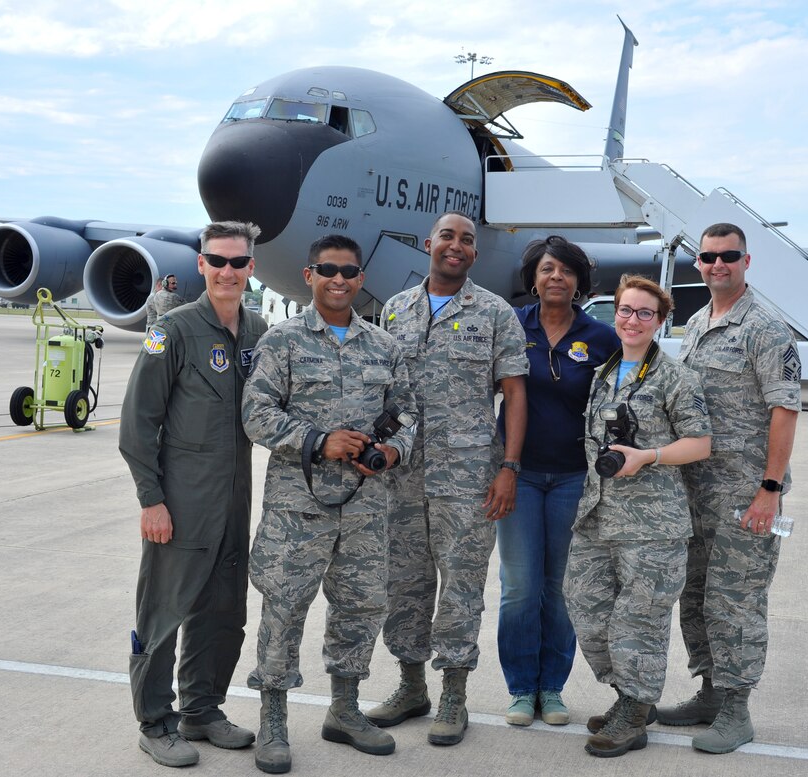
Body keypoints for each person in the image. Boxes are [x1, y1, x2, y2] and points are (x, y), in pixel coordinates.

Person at [241, 234, 416, 773]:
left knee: (361, 606)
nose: (338, 279)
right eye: (327, 270)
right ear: (309, 275)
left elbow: (408, 413)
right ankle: (273, 719)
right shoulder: (283, 341)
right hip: (298, 509)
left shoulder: (384, 346)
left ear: (361, 278)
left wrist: (392, 451)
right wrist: (318, 441)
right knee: (285, 606)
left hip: (365, 506)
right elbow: (256, 414)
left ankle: (344, 709)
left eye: (348, 271)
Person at [367, 211, 528, 746]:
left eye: (466, 240)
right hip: (402, 477)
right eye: (447, 237)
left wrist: (509, 467)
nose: (455, 246)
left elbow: (515, 393)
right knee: (404, 583)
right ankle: (412, 685)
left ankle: (453, 694)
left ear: (474, 253)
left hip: (467, 476)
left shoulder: (495, 312)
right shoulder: (396, 309)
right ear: (428, 244)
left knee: (461, 586)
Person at [119, 221, 268, 768]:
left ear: (251, 268)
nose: (228, 271)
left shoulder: (258, 331)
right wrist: (151, 500)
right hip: (181, 501)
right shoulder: (173, 330)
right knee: (164, 612)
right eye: (217, 260)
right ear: (201, 264)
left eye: (238, 262)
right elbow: (138, 423)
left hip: (234, 499)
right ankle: (155, 722)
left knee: (223, 610)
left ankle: (202, 710)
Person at [656, 222, 801, 755]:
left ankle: (737, 711)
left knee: (735, 601)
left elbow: (785, 410)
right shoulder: (697, 322)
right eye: (709, 256)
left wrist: (770, 489)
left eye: (729, 256)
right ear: (698, 263)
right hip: (697, 491)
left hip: (746, 496)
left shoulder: (765, 328)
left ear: (746, 261)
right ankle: (711, 693)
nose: (718, 264)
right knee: (695, 596)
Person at [564, 274, 712, 758]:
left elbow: (700, 444)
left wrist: (648, 456)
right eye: (625, 310)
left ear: (660, 320)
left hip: (653, 523)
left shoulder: (676, 378)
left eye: (644, 313)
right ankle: (630, 694)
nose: (632, 320)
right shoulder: (603, 372)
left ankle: (633, 709)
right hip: (598, 513)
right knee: (584, 604)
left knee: (639, 620)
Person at [496, 236, 618, 727]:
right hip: (518, 476)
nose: (556, 277)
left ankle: (552, 688)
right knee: (520, 587)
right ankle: (521, 688)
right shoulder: (510, 325)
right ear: (533, 277)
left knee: (563, 586)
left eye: (566, 271)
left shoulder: (602, 337)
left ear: (579, 281)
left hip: (574, 479)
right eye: (547, 269)